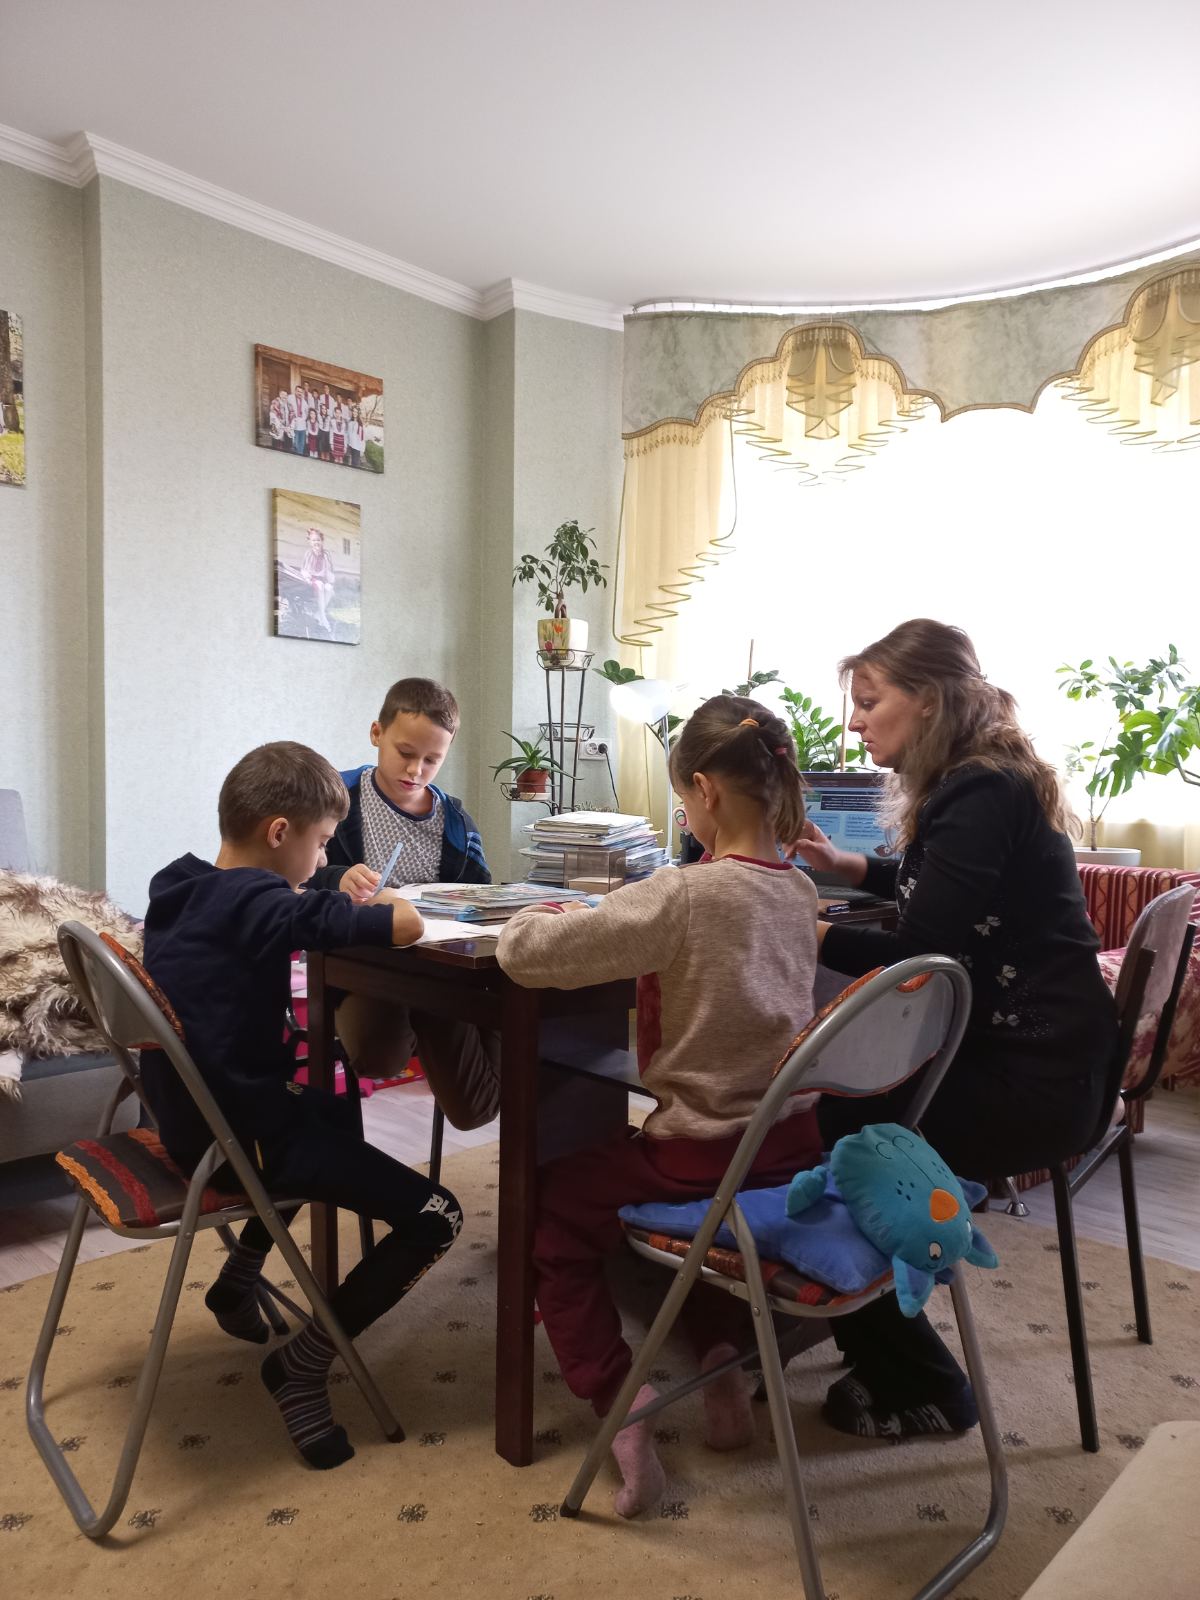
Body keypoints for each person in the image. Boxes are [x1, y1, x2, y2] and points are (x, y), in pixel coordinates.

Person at [788, 618, 1119, 1442]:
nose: (855, 722)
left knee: (836, 1129)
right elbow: (937, 888)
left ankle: (921, 1383)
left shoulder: (980, 793)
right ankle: (859, 1331)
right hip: (1058, 1064)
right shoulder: (984, 783)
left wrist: (798, 925)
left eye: (870, 702)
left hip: (1039, 1086)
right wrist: (849, 869)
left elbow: (919, 952)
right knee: (844, 1113)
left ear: (929, 701)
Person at [496, 695, 823, 1518]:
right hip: (789, 1147)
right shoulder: (799, 889)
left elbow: (529, 956)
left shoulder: (683, 893)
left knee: (554, 1211)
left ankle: (619, 1399)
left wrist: (536, 913)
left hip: (700, 1152)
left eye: (683, 799)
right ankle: (723, 1365)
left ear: (704, 791)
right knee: (712, 1219)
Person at [139, 741, 461, 1470]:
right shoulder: (259, 903)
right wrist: (384, 897)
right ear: (279, 832)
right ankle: (302, 1365)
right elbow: (406, 926)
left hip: (194, 1120)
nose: (320, 861)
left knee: (332, 1095)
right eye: (319, 844)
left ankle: (239, 1280)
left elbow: (286, 912)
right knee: (438, 1215)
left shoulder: (179, 883)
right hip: (239, 1144)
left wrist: (326, 892)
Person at [306, 677, 501, 1130]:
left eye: (432, 760)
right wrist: (338, 878)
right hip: (364, 969)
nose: (416, 770)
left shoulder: (456, 823)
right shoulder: (336, 799)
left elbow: (483, 895)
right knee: (378, 1055)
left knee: (475, 1108)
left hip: (440, 970)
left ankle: (535, 1075)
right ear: (377, 733)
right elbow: (293, 876)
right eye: (405, 752)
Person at [300, 526, 335, 633]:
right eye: (314, 540)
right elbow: (304, 569)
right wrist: (307, 577)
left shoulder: (326, 554)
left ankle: (318, 614)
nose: (316, 542)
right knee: (319, 585)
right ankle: (323, 617)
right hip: (312, 579)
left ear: (322, 541)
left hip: (324, 579)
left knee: (329, 588)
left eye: (318, 540)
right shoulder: (308, 553)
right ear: (310, 542)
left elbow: (330, 570)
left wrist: (330, 579)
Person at [289, 383, 308, 455]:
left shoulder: (304, 401)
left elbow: (307, 411)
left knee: (302, 444)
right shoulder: (290, 398)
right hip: (295, 426)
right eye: (298, 391)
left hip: (302, 426)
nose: (299, 393)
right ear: (295, 391)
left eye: (301, 392)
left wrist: (303, 419)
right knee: (295, 445)